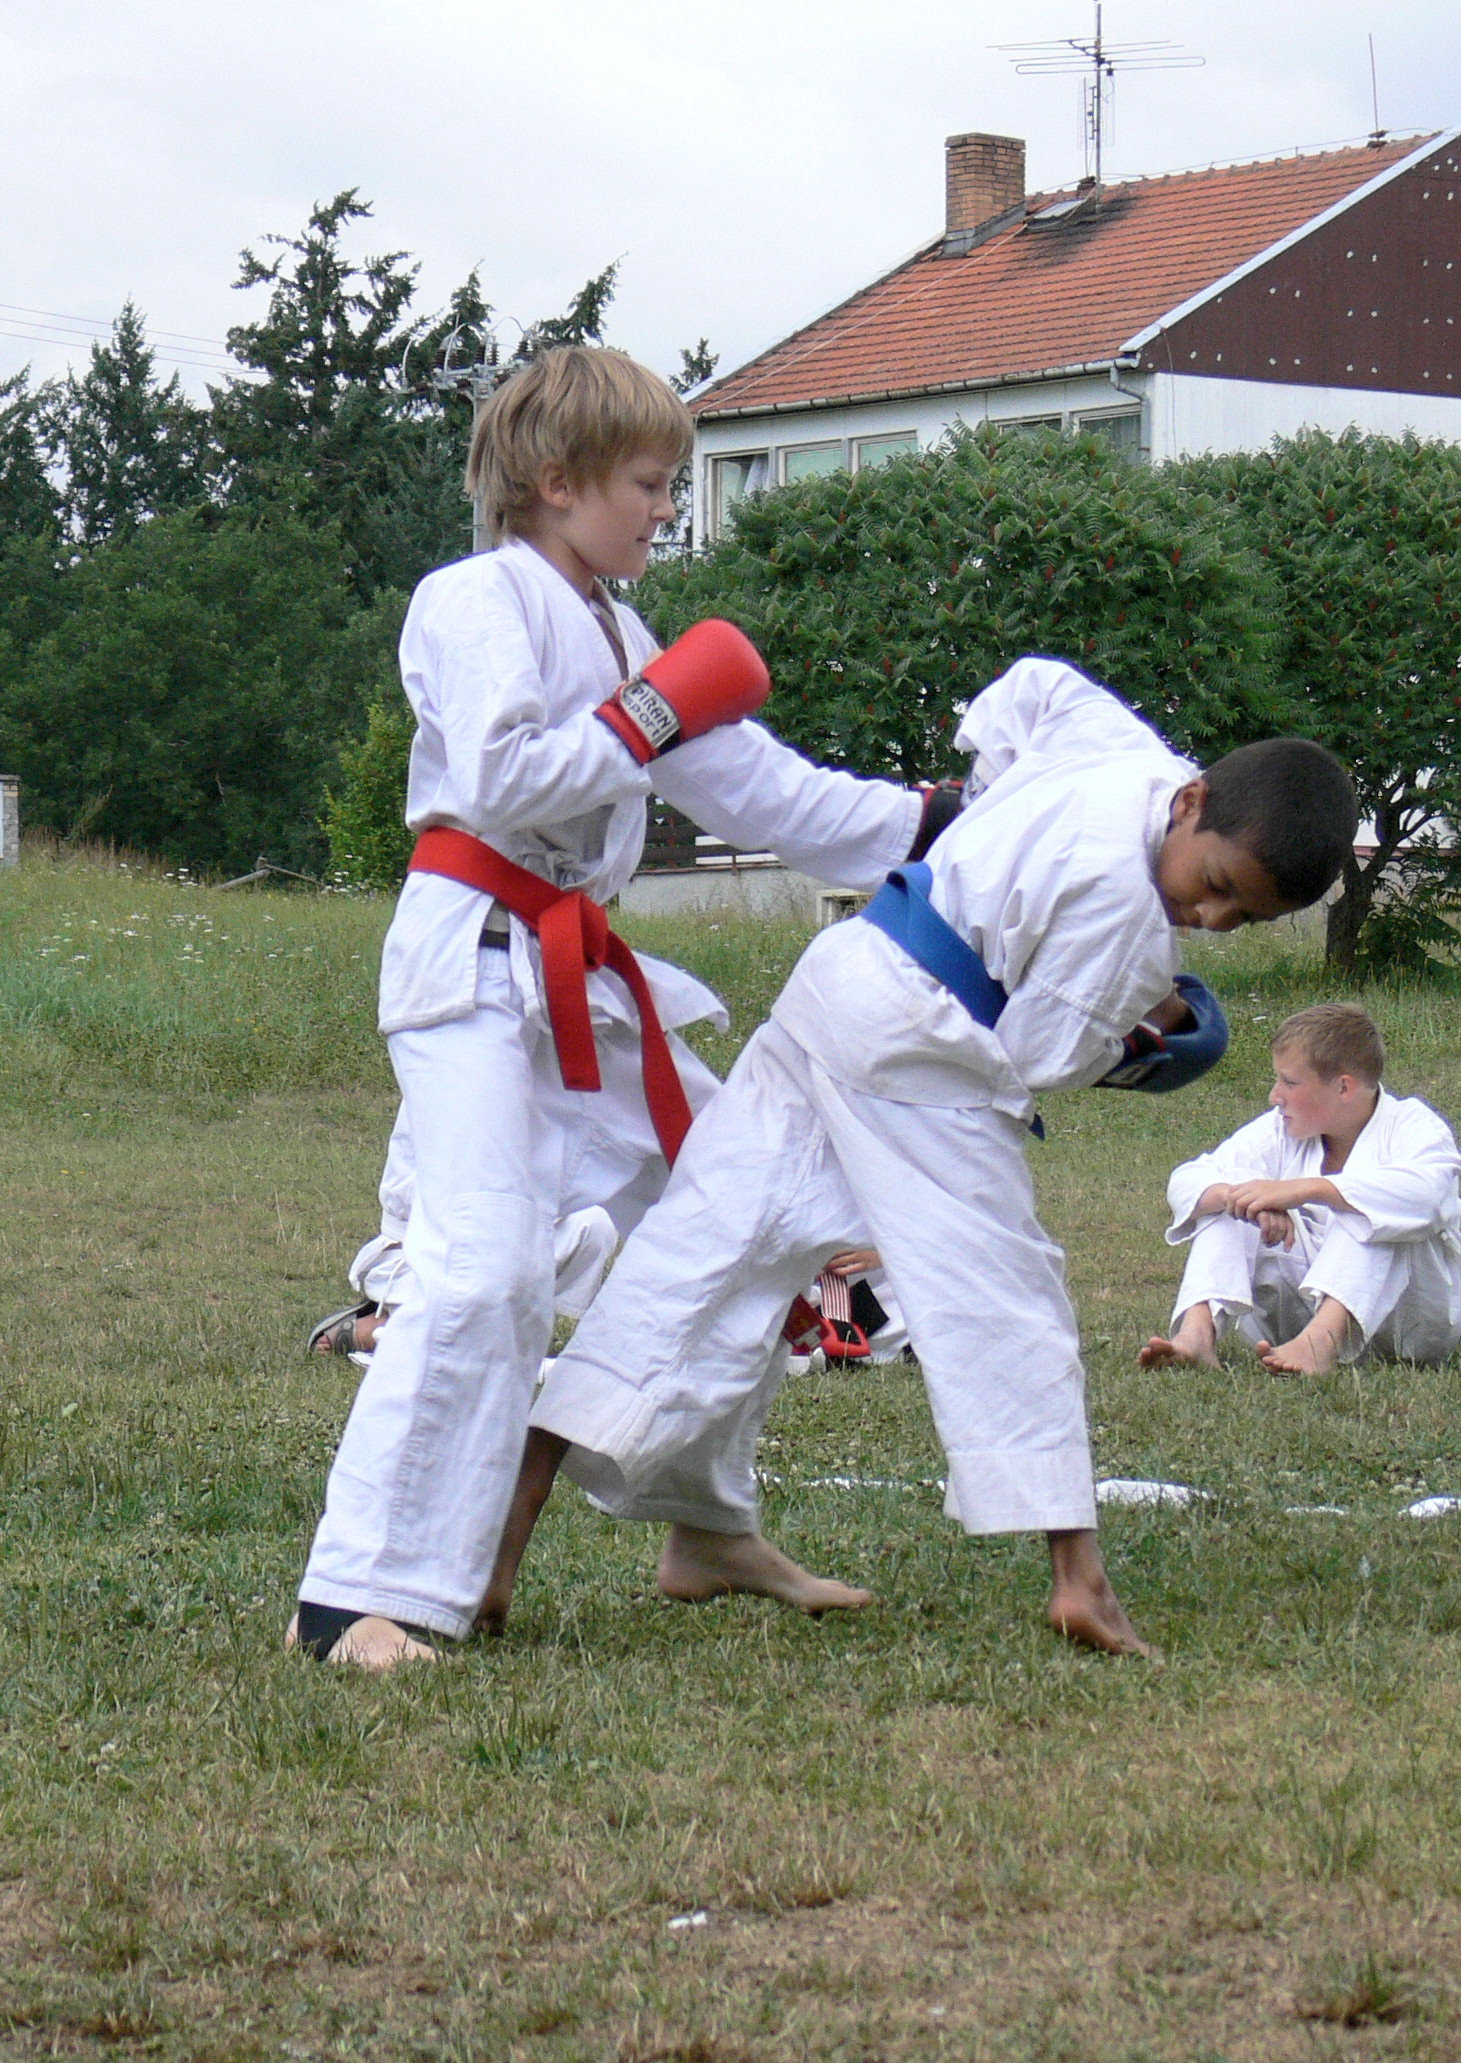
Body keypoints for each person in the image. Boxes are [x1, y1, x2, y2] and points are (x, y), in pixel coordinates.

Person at [484, 657, 1359, 1657]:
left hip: (841, 977)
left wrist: (985, 814)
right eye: (1215, 887)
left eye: (1241, 919)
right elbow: (1038, 1052)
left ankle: (653, 1525)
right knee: (1005, 1291)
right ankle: (1079, 1580)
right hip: (919, 1046)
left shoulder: (1121, 750)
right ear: (1192, 804)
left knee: (714, 1248)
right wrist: (1146, 1036)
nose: (1208, 919)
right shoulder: (1129, 930)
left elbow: (1030, 689)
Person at [290, 345, 936, 1670]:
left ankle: (702, 1520)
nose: (667, 511)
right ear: (555, 479)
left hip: (580, 982)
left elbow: (769, 795)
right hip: (474, 969)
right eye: (648, 483)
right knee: (485, 1269)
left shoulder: (622, 633)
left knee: (766, 1205)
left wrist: (938, 826)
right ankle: (354, 1599)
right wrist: (646, 714)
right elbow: (499, 777)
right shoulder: (470, 597)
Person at [1139, 1002, 1461, 1376]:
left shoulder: (1413, 1125)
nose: (1275, 1096)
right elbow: (1188, 1179)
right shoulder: (1280, 1130)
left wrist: (1307, 1190)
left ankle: (1321, 1344)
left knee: (1372, 1210)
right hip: (1299, 1314)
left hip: (1414, 1325)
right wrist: (1242, 1199)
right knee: (1228, 1202)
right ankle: (1196, 1335)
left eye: (1289, 1082)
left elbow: (1427, 1197)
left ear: (1344, 1087)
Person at [307, 1104, 620, 1363]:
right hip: (439, 1242)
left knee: (593, 1222)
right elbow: (413, 1200)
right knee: (461, 1353)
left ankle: (501, 1327)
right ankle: (393, 1324)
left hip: (513, 1230)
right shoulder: (453, 1077)